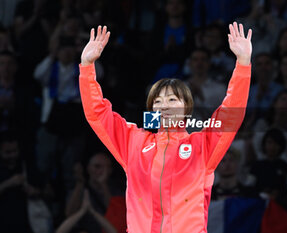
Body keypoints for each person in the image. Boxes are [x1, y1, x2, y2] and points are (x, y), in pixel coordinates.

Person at [79, 22, 252, 232]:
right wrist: (87, 67)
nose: (164, 107)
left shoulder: (202, 146)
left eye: (172, 100)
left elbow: (230, 114)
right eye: (158, 102)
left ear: (186, 108)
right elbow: (98, 114)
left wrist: (243, 64)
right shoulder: (134, 142)